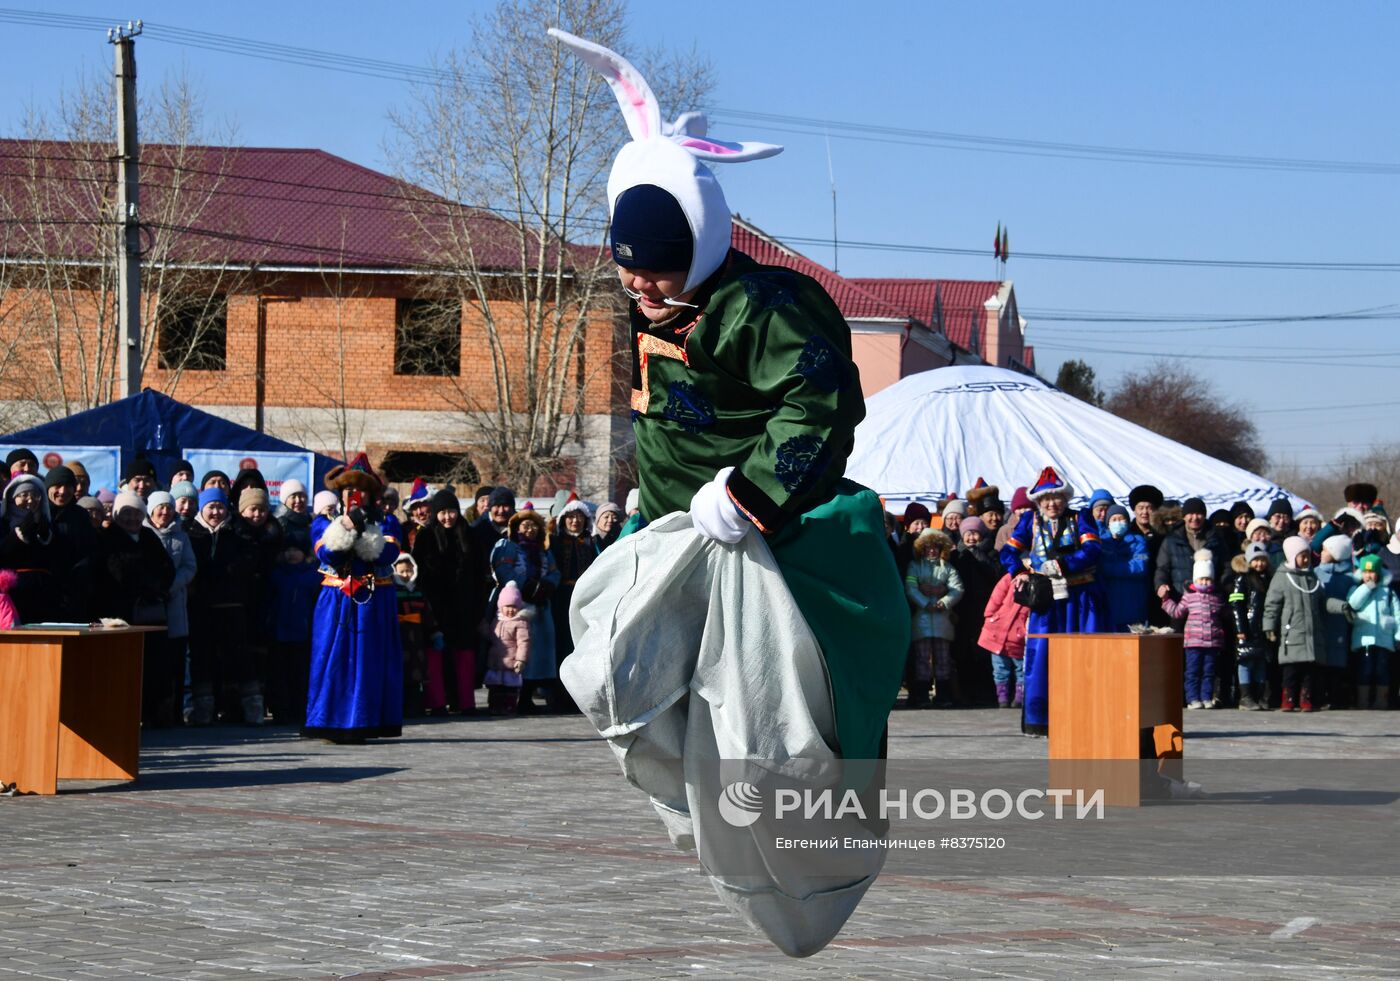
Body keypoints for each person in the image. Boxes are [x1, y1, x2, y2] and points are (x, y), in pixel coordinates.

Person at [999, 466, 1106, 736]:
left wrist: (1063, 564)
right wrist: (1020, 572)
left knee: (1083, 655)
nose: (1051, 503)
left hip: (1080, 599)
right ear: (1038, 501)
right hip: (1046, 600)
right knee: (1042, 656)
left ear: (1065, 499)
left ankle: (1085, 716)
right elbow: (1008, 552)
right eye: (1045, 499)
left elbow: (1093, 549)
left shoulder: (1080, 518)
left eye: (1056, 497)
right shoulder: (1030, 522)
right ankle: (1041, 719)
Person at [304, 454, 403, 743]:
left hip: (373, 600)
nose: (353, 495)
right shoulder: (324, 522)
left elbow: (387, 554)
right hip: (336, 599)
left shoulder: (387, 522)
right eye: (348, 490)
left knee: (368, 660)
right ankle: (328, 721)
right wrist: (346, 526)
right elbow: (326, 553)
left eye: (360, 490)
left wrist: (367, 531)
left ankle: (366, 721)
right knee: (331, 658)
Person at [99, 492, 176, 722]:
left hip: (151, 612)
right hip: (119, 613)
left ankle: (152, 713)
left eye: (136, 513)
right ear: (116, 515)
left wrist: (157, 589)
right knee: (122, 666)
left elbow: (167, 568)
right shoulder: (108, 538)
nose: (132, 519)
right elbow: (114, 572)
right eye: (126, 513)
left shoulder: (148, 536)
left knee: (153, 665)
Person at [187, 487, 258, 726]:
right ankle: (203, 709)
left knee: (238, 657)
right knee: (203, 658)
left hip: (233, 604)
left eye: (220, 507)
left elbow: (245, 565)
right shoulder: (192, 532)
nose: (216, 512)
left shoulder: (237, 531)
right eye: (211, 507)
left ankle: (244, 709)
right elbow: (195, 568)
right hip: (202, 606)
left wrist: (222, 571)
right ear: (202, 509)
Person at [412, 489, 483, 716]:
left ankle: (465, 702)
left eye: (451, 511)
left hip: (464, 605)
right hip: (435, 606)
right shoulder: (425, 537)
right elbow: (419, 573)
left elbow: (479, 572)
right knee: (436, 654)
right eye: (442, 512)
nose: (447, 517)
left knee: (464, 655)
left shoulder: (468, 534)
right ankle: (437, 702)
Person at [491, 508, 560, 714]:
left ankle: (530, 692)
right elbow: (504, 571)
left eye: (533, 526)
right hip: (517, 607)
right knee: (517, 649)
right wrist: (525, 586)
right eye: (525, 525)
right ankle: (514, 695)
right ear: (516, 528)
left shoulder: (544, 551)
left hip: (540, 607)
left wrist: (547, 585)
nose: (529, 529)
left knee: (539, 650)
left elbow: (555, 572)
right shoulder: (510, 548)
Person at [145, 490, 197, 727]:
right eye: (160, 508)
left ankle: (175, 713)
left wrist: (173, 586)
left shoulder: (181, 536)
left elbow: (189, 566)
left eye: (168, 507)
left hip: (175, 604)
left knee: (176, 661)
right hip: (149, 606)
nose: (164, 512)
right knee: (153, 662)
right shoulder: (144, 534)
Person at [903, 529, 963, 708]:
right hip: (922, 619)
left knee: (943, 658)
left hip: (942, 619)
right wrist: (924, 602)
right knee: (922, 658)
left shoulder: (948, 568)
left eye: (935, 547)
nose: (932, 551)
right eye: (928, 547)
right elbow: (910, 587)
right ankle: (922, 694)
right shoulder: (914, 566)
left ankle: (943, 694)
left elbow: (957, 588)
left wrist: (943, 603)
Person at [1264, 536, 1324, 712]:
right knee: (1290, 671)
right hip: (1292, 632)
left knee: (1308, 672)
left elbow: (1321, 601)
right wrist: (1269, 626)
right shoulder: (1282, 577)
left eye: (1307, 556)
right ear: (1292, 556)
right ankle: (1288, 698)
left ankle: (1305, 698)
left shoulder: (1312, 577)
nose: (1305, 560)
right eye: (1301, 556)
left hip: (1311, 633)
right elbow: (1272, 603)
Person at [1161, 549, 1228, 708]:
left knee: (1209, 672)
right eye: (1202, 579)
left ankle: (1206, 697)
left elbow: (1225, 614)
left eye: (1208, 579)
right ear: (1195, 579)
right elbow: (1177, 612)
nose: (1205, 582)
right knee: (1192, 672)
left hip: (1212, 642)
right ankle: (1192, 698)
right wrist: (1165, 600)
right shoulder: (1189, 597)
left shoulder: (1217, 598)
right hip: (1193, 642)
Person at [550, 498, 597, 711]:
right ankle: (558, 696)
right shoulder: (554, 542)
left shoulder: (591, 542)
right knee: (562, 646)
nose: (574, 521)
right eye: (570, 517)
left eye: (579, 517)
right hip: (561, 597)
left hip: (585, 599)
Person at [950, 515, 1002, 706]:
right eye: (968, 534)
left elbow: (996, 574)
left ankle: (986, 692)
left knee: (983, 650)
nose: (972, 538)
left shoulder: (991, 553)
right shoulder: (957, 555)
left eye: (975, 534)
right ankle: (965, 692)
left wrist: (980, 555)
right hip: (962, 609)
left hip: (984, 608)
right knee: (963, 651)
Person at [0, 473, 60, 623]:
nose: (30, 500)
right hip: (13, 591)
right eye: (24, 495)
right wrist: (17, 536)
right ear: (13, 498)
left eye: (35, 495)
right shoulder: (3, 523)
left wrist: (46, 537)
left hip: (43, 591)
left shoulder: (46, 522)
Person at [44, 464, 97, 621]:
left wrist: (78, 574)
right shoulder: (39, 514)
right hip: (44, 593)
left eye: (68, 486)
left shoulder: (80, 515)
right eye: (57, 486)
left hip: (76, 593)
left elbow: (90, 550)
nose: (63, 491)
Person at [1347, 553, 1399, 709]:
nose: (1369, 575)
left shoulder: (1388, 593)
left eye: (1372, 572)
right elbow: (1353, 604)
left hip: (1384, 639)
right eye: (1366, 572)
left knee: (1382, 670)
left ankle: (1381, 700)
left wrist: (1398, 637)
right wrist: (1366, 588)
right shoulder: (1356, 588)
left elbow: (1398, 615)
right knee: (1365, 669)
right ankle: (1363, 700)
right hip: (1364, 639)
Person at [1228, 543, 1274, 710]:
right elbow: (1236, 603)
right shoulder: (1242, 578)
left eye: (1262, 560)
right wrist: (1240, 628)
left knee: (1261, 661)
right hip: (1248, 627)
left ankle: (1259, 695)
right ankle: (1245, 697)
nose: (1259, 564)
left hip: (1262, 627)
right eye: (1256, 560)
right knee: (1245, 661)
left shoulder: (1269, 578)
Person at [391, 553, 438, 719]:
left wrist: (434, 633)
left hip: (416, 638)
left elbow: (427, 614)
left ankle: (416, 707)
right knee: (399, 674)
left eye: (408, 571)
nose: (405, 575)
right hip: (397, 637)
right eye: (402, 571)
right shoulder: (391, 591)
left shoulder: (418, 591)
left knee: (416, 674)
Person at [1315, 534, 1357, 709]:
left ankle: (1337, 696)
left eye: (1325, 550)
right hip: (1320, 624)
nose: (1321, 553)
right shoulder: (1317, 572)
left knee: (1338, 664)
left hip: (1340, 626)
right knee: (1321, 663)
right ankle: (1321, 695)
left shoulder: (1349, 577)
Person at [978, 570, 1029, 708]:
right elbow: (996, 596)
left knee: (1021, 669)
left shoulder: (1035, 582)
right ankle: (1002, 698)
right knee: (1000, 669)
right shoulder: (1010, 577)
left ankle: (1019, 698)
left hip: (1018, 636)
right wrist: (990, 615)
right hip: (998, 631)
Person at [1099, 504, 1149, 630]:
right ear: (1108, 523)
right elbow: (1097, 567)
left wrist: (1109, 568)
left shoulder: (1138, 541)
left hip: (1133, 604)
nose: (1118, 522)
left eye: (1121, 519)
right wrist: (1126, 566)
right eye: (1114, 520)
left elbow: (1140, 566)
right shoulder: (1101, 543)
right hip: (1108, 604)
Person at [486, 580, 531, 715]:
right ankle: (494, 706)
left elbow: (524, 642)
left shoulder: (520, 622)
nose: (510, 610)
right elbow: (492, 636)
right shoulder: (497, 620)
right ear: (501, 606)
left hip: (511, 663)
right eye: (507, 606)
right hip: (496, 662)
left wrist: (521, 660)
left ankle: (509, 706)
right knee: (495, 688)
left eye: (514, 606)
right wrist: (484, 630)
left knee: (510, 689)